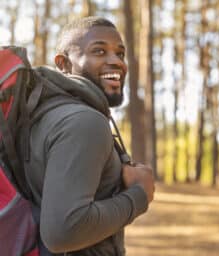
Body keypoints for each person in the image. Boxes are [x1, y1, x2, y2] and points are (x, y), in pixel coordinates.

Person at [25, 16, 155, 255]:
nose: (116, 62)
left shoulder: (46, 115)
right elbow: (63, 232)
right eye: (99, 51)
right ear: (63, 63)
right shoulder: (84, 122)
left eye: (120, 54)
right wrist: (139, 195)